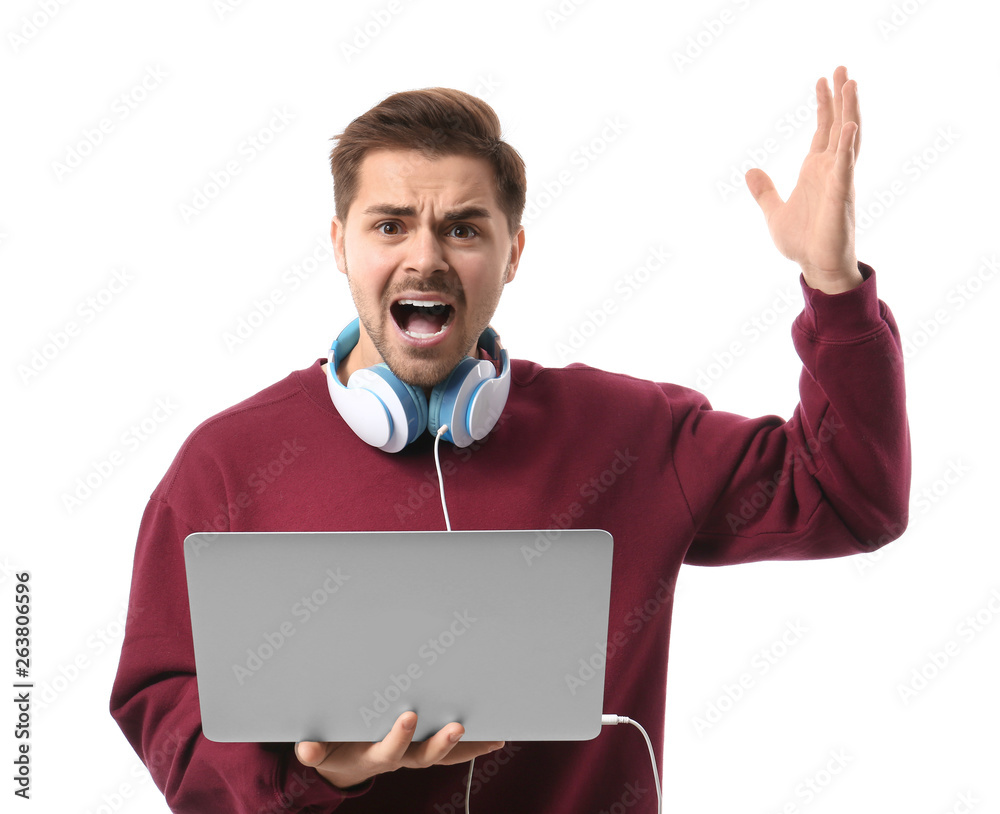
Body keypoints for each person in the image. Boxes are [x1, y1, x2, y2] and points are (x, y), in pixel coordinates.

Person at [110, 66, 910, 813]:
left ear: (512, 252)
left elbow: (852, 497)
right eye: (389, 225)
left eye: (462, 229)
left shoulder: (630, 433)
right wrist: (306, 771)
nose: (423, 258)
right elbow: (162, 706)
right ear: (338, 244)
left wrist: (835, 288)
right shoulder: (228, 461)